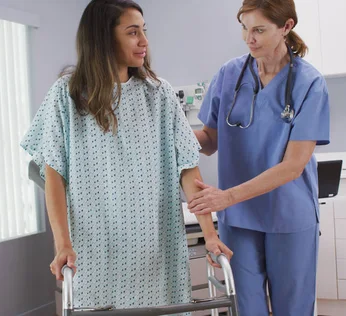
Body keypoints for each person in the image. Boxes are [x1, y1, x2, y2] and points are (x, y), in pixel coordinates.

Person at [20, 0, 232, 312]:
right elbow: (54, 177)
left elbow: (188, 169)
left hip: (156, 248)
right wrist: (62, 244)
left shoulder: (159, 94)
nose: (144, 41)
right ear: (103, 38)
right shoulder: (67, 95)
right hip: (95, 251)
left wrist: (210, 235)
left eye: (143, 31)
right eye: (133, 33)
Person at [188, 0, 331, 315]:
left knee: (292, 309)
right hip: (238, 221)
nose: (248, 38)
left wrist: (227, 197)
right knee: (245, 308)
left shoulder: (309, 83)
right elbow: (211, 140)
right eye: (244, 28)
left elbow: (294, 165)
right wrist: (173, 134)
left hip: (288, 216)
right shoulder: (229, 75)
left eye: (259, 30)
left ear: (286, 27)